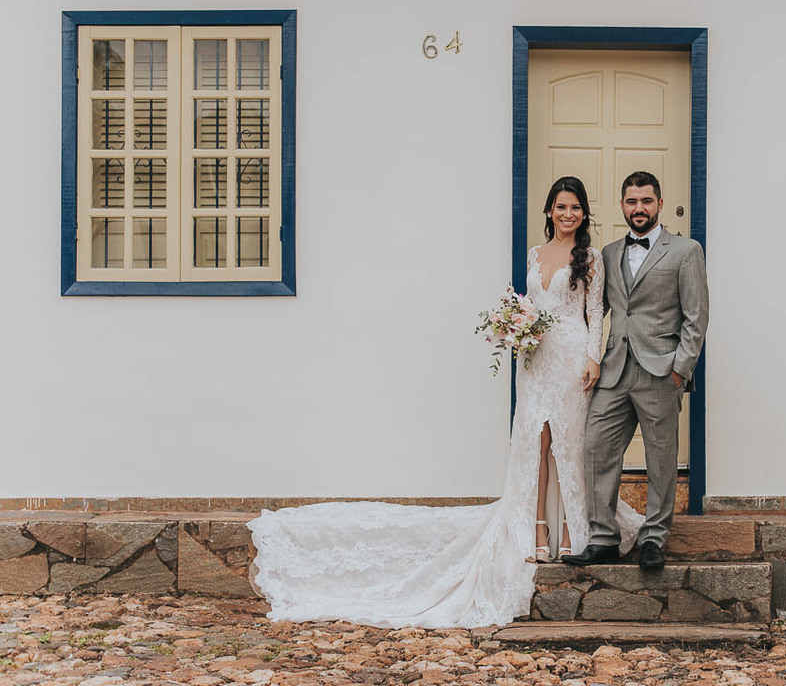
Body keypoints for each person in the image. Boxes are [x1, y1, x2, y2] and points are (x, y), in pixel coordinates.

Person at [246, 176, 639, 629]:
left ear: (583, 214)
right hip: (535, 358)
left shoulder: (589, 257)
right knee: (536, 438)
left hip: (571, 356)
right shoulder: (535, 254)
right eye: (560, 207)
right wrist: (516, 327)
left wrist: (593, 357)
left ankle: (572, 528)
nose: (567, 214)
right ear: (549, 210)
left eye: (575, 208)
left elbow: (595, 313)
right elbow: (528, 304)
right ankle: (537, 528)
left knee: (567, 441)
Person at [563, 171, 709, 572]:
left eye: (646, 201)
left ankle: (654, 539)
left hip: (661, 371)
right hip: (614, 370)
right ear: (622, 206)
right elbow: (592, 312)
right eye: (631, 202)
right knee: (596, 447)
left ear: (659, 204)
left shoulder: (685, 251)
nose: (638, 208)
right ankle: (604, 538)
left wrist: (680, 370)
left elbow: (696, 317)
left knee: (661, 457)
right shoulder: (607, 254)